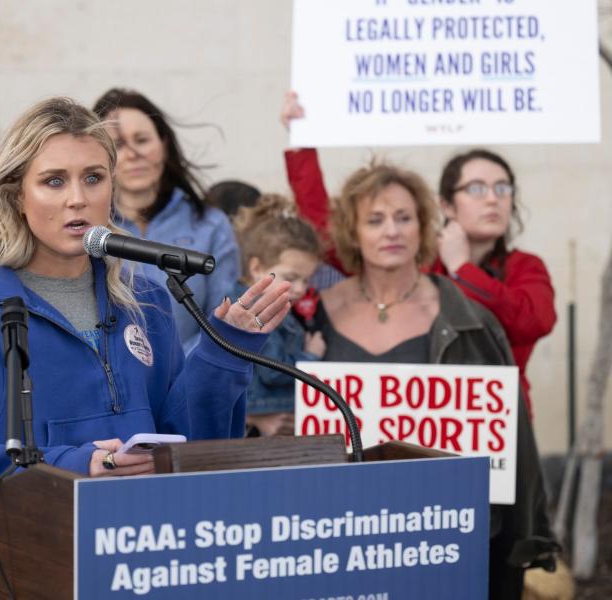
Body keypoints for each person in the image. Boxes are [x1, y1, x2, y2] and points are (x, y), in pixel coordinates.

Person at [0, 97, 292, 548]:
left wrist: (223, 354)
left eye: (93, 177)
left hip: (141, 547)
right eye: (53, 181)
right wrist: (73, 465)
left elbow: (186, 443)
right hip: (22, 560)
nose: (78, 199)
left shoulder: (146, 299)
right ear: (16, 196)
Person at [314, 161, 554, 600]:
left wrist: (525, 537)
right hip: (336, 535)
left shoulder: (468, 318)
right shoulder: (314, 315)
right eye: (375, 219)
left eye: (404, 218)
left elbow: (512, 443)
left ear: (425, 226)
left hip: (442, 537)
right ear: (352, 232)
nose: (392, 231)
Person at [280, 91, 556, 413]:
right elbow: (326, 230)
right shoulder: (415, 258)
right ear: (446, 204)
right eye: (477, 189)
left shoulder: (525, 266)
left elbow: (532, 321)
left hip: (493, 422)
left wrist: (464, 270)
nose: (492, 199)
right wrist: (301, 142)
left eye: (503, 188)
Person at [92, 88, 240, 351]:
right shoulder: (88, 229)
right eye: (117, 144)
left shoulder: (211, 225)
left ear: (164, 144)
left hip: (191, 379)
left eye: (142, 139)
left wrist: (180, 374)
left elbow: (224, 320)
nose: (133, 153)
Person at [228, 194, 326, 437]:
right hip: (260, 421)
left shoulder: (257, 300)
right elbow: (272, 371)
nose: (302, 288)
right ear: (256, 267)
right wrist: (311, 357)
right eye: (291, 278)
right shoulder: (259, 310)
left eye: (307, 279)